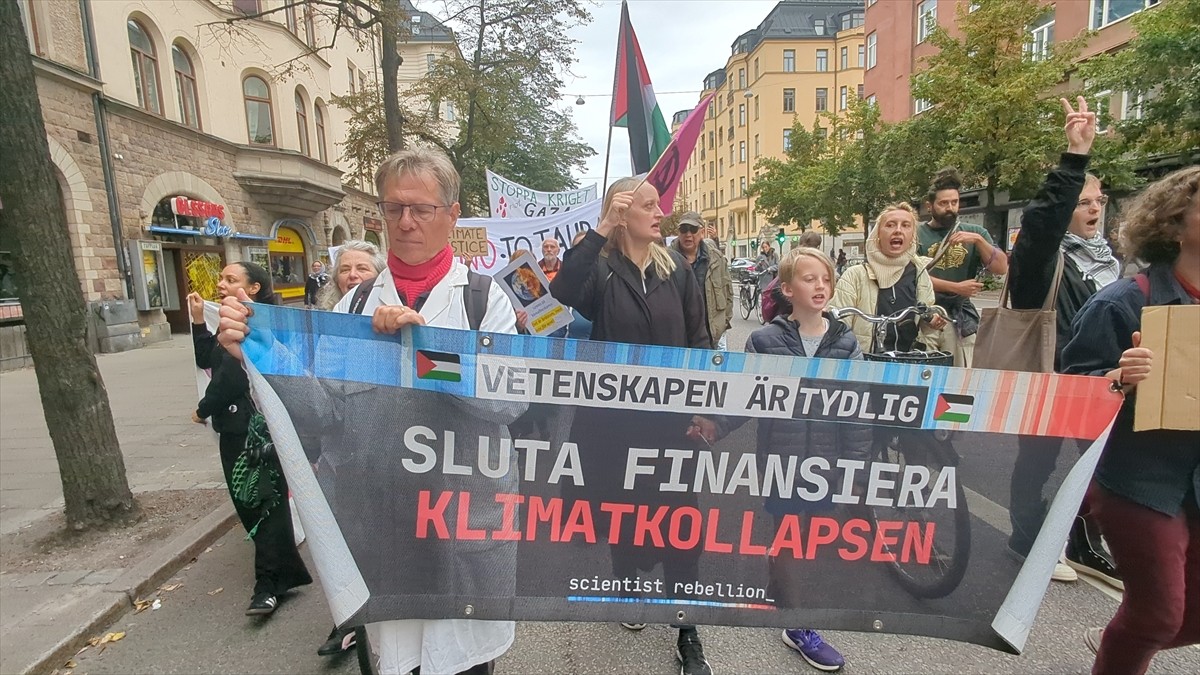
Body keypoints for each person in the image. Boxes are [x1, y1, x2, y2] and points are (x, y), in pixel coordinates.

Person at [218, 148, 520, 675]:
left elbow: (509, 401)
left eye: (421, 209)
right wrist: (258, 356)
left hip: (463, 528)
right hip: (384, 529)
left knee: (465, 664)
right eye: (394, 208)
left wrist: (423, 352)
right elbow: (323, 414)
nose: (406, 222)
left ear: (452, 215)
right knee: (393, 661)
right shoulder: (354, 306)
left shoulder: (484, 299)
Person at [550, 177, 713, 675]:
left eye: (658, 205)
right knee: (624, 513)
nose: (659, 213)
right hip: (613, 428)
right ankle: (626, 582)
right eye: (647, 205)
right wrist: (601, 230)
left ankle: (686, 627)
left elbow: (700, 338)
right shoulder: (599, 269)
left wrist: (705, 405)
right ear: (622, 214)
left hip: (671, 425)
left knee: (682, 524)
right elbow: (563, 290)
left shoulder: (677, 270)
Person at [692, 248, 872, 673]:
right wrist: (716, 425)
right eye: (810, 279)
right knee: (792, 537)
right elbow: (746, 395)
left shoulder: (847, 343)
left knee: (808, 538)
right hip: (782, 462)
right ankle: (798, 624)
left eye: (825, 279)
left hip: (827, 463)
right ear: (788, 290)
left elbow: (858, 411)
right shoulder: (765, 340)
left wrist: (857, 467)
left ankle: (781, 582)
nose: (820, 286)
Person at [1060, 165, 1200, 674]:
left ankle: (1121, 637)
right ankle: (1128, 639)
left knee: (1183, 618)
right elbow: (1072, 392)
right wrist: (1117, 378)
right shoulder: (1124, 302)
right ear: (1175, 224)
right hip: (1138, 481)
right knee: (1157, 614)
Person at [1005, 98, 1123, 588]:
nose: (1094, 208)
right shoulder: (1043, 261)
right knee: (1038, 462)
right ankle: (1028, 538)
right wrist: (1074, 161)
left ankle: (1082, 541)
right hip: (1051, 377)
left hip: (1103, 382)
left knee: (1102, 464)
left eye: (1099, 200)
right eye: (1083, 201)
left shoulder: (1112, 262)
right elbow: (1041, 223)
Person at [187, 264, 312, 617]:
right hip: (232, 432)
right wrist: (198, 320)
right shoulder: (226, 321)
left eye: (231, 279)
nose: (220, 284)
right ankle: (281, 573)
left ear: (254, 288)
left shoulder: (255, 325)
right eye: (221, 278)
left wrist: (202, 409)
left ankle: (268, 584)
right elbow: (207, 358)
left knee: (264, 503)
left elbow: (230, 377)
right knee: (250, 504)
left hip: (255, 432)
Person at [916, 168, 1008, 366]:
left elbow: (1001, 268)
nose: (950, 208)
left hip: (960, 318)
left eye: (954, 202)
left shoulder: (975, 232)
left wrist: (979, 241)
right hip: (925, 315)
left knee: (961, 374)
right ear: (929, 206)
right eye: (943, 203)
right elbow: (913, 276)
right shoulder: (916, 234)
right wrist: (956, 287)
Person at [830, 203, 946, 352]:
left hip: (907, 361)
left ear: (913, 236)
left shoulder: (920, 274)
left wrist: (932, 322)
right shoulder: (855, 276)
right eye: (890, 225)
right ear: (878, 234)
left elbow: (926, 324)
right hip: (865, 361)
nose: (898, 230)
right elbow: (838, 326)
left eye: (906, 225)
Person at [670, 211, 733, 349]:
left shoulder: (716, 258)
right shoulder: (665, 259)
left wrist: (721, 325)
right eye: (684, 229)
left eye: (693, 229)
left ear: (702, 232)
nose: (688, 234)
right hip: (677, 337)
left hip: (709, 336)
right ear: (678, 232)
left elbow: (728, 293)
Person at [315, 240, 386, 311]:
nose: (352, 274)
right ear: (337, 280)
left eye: (362, 269)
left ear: (380, 276)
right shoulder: (326, 314)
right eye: (345, 270)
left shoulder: (390, 310)